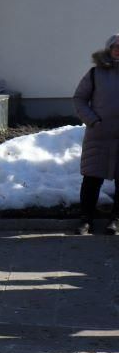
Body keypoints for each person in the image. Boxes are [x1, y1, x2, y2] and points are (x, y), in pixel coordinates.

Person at [72, 33, 119, 235]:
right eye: (116, 46)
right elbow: (79, 99)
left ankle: (115, 220)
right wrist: (93, 121)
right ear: (109, 49)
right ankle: (86, 220)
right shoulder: (95, 73)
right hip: (99, 135)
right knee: (91, 180)